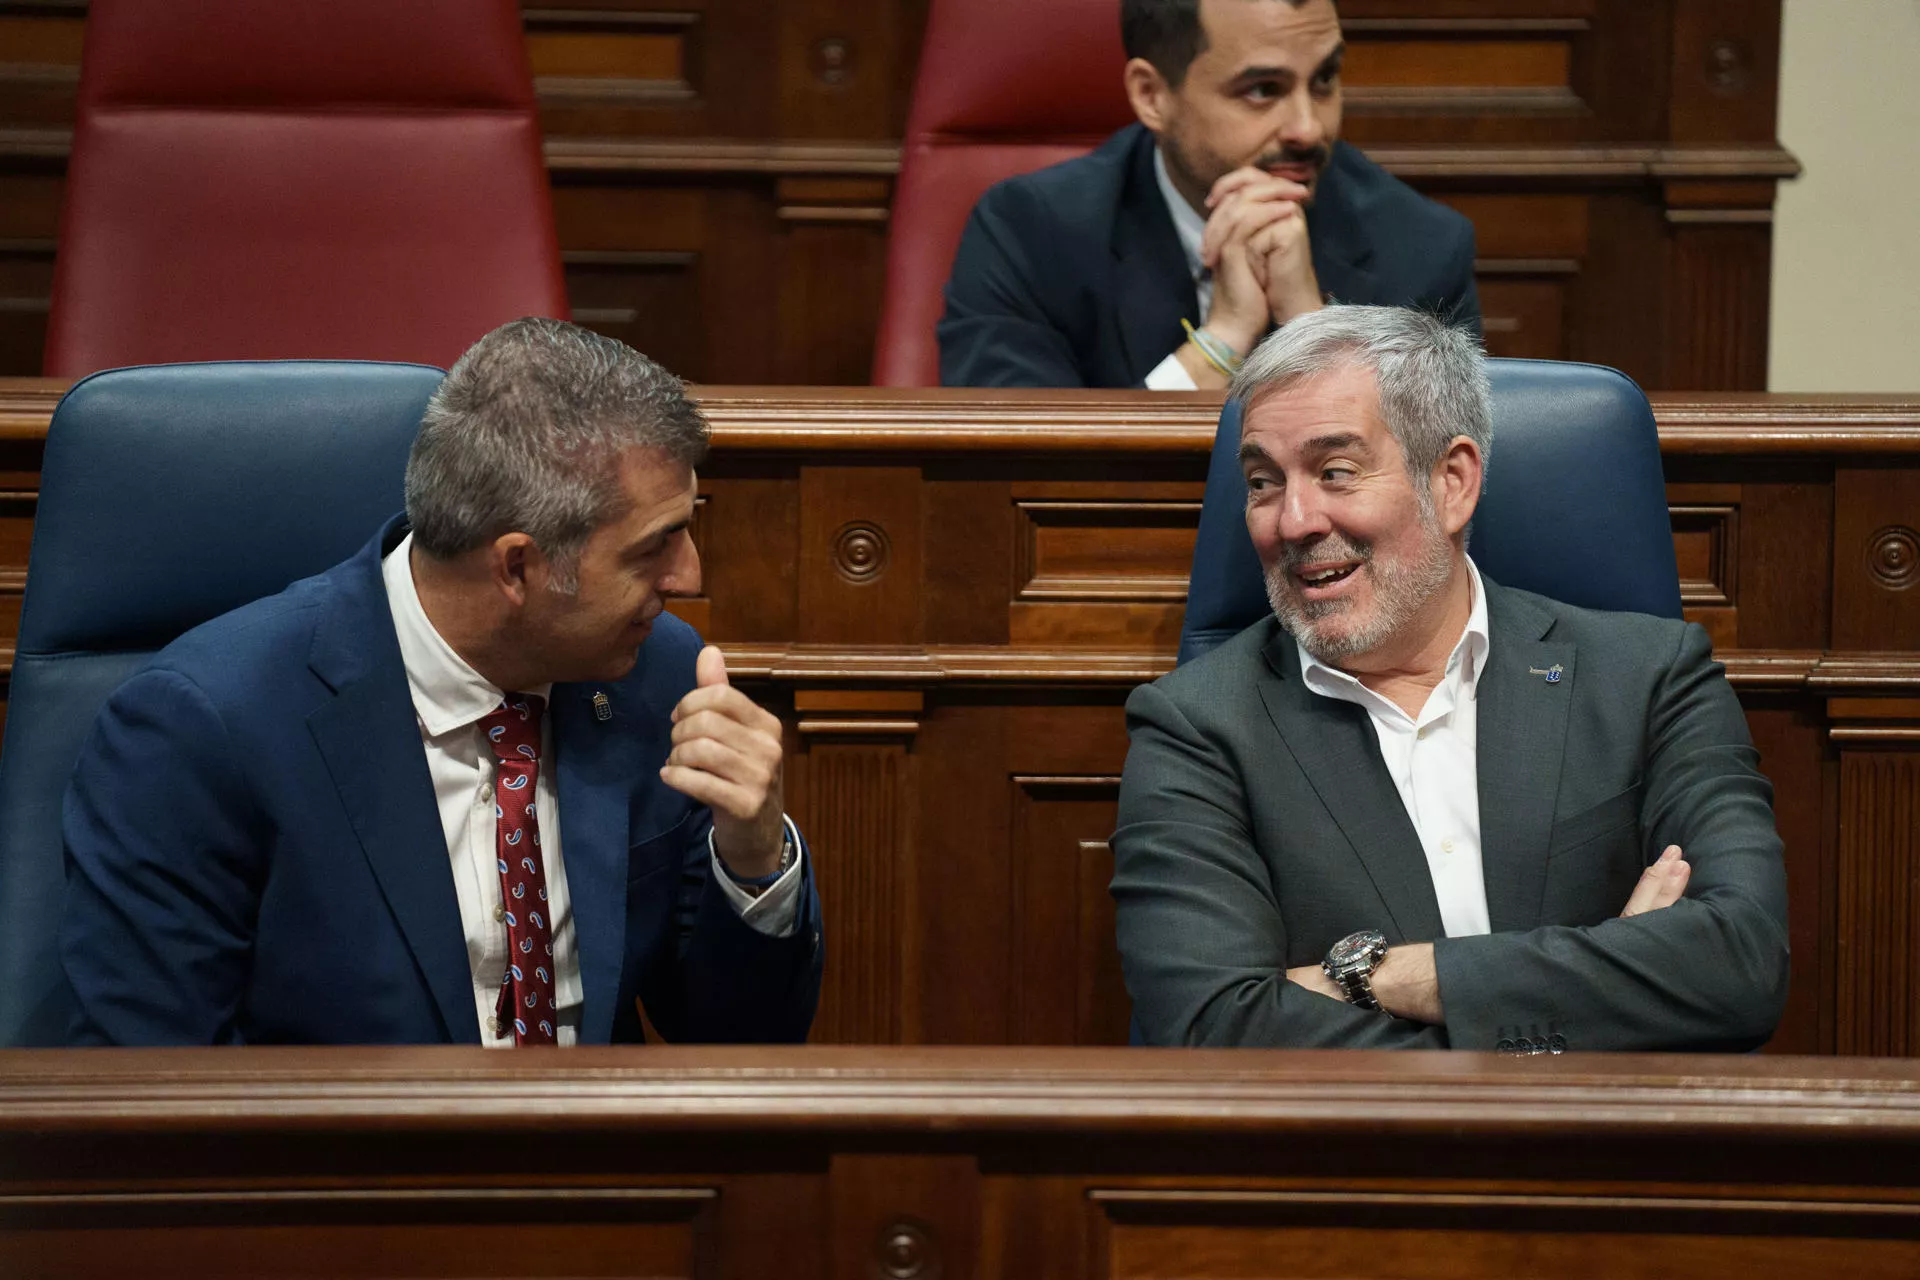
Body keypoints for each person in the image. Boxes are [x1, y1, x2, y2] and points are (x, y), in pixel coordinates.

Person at [60, 318, 822, 1047]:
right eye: (655, 547)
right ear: (517, 566)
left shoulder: (653, 673)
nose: (689, 577)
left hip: (602, 1171)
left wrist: (751, 857)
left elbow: (736, 1042)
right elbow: (153, 1083)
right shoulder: (205, 729)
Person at [1110, 305, 1788, 1051]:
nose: (1293, 521)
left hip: (1621, 1159)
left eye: (1335, 471)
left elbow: (1742, 963)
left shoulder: (1649, 678)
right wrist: (1600, 999)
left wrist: (1372, 978)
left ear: (1453, 482)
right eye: (1264, 482)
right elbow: (1214, 1030)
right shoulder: (1196, 727)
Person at [938, 0, 1480, 391]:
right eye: (1263, 90)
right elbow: (1020, 479)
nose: (1308, 128)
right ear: (1152, 96)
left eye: (1324, 79)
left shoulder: (1420, 248)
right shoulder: (1029, 232)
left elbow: (1442, 489)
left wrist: (1309, 327)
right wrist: (1221, 342)